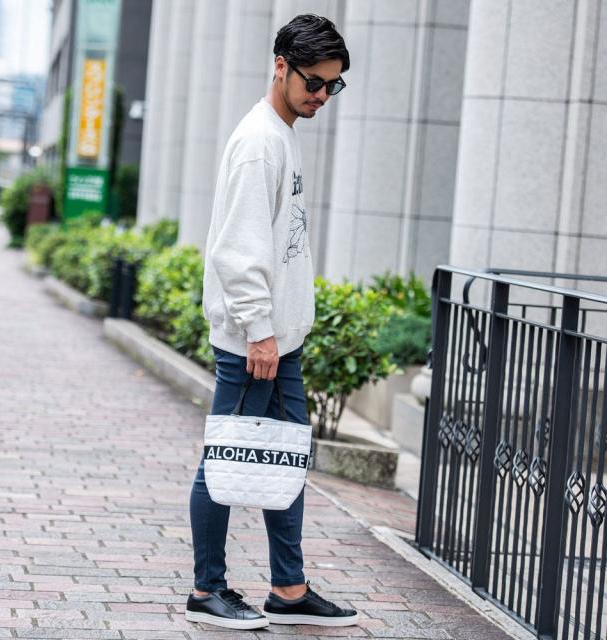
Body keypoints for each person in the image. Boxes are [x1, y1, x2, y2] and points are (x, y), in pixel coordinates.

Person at [185, 14, 357, 631]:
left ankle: (289, 587)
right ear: (281, 66)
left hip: (280, 341)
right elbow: (237, 250)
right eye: (314, 82)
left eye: (333, 85)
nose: (322, 95)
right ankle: (207, 590)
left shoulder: (282, 134)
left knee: (284, 459)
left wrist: (277, 334)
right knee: (225, 459)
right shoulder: (260, 142)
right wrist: (259, 331)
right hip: (254, 342)